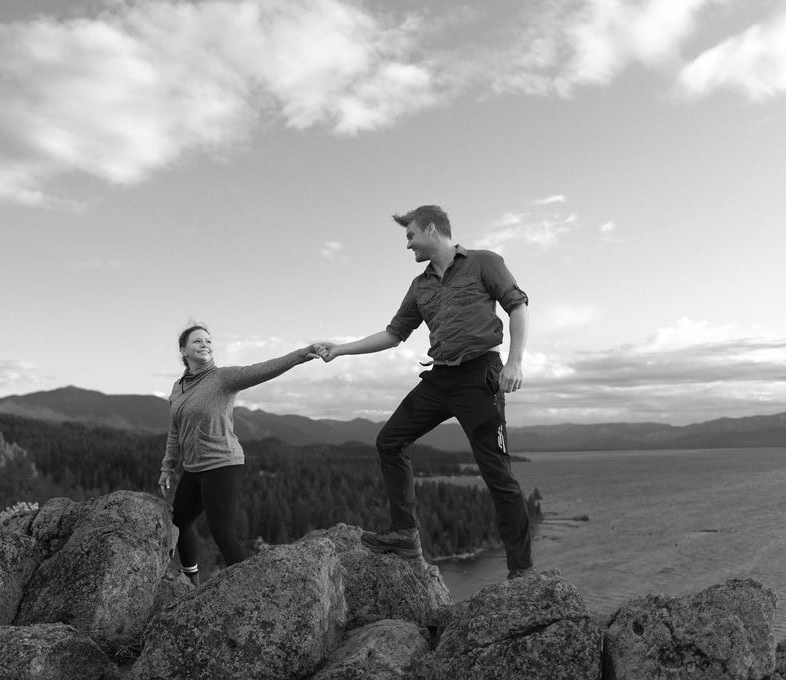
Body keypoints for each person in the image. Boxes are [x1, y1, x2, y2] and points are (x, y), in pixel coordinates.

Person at [316, 205, 534, 579]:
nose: (408, 245)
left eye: (410, 235)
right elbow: (393, 334)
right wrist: (340, 349)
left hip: (480, 375)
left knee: (497, 474)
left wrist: (515, 362)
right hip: (440, 379)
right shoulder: (420, 286)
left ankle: (522, 571)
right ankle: (405, 533)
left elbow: (517, 306)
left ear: (431, 230)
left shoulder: (484, 262)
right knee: (389, 440)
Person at [159, 324, 321, 585]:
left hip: (223, 463)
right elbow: (175, 431)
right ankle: (191, 582)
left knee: (221, 531)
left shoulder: (222, 378)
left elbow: (263, 369)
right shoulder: (178, 389)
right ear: (183, 350)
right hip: (193, 468)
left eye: (208, 341)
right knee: (179, 522)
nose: (205, 345)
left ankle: (251, 590)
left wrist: (302, 354)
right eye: (197, 341)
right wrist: (168, 467)